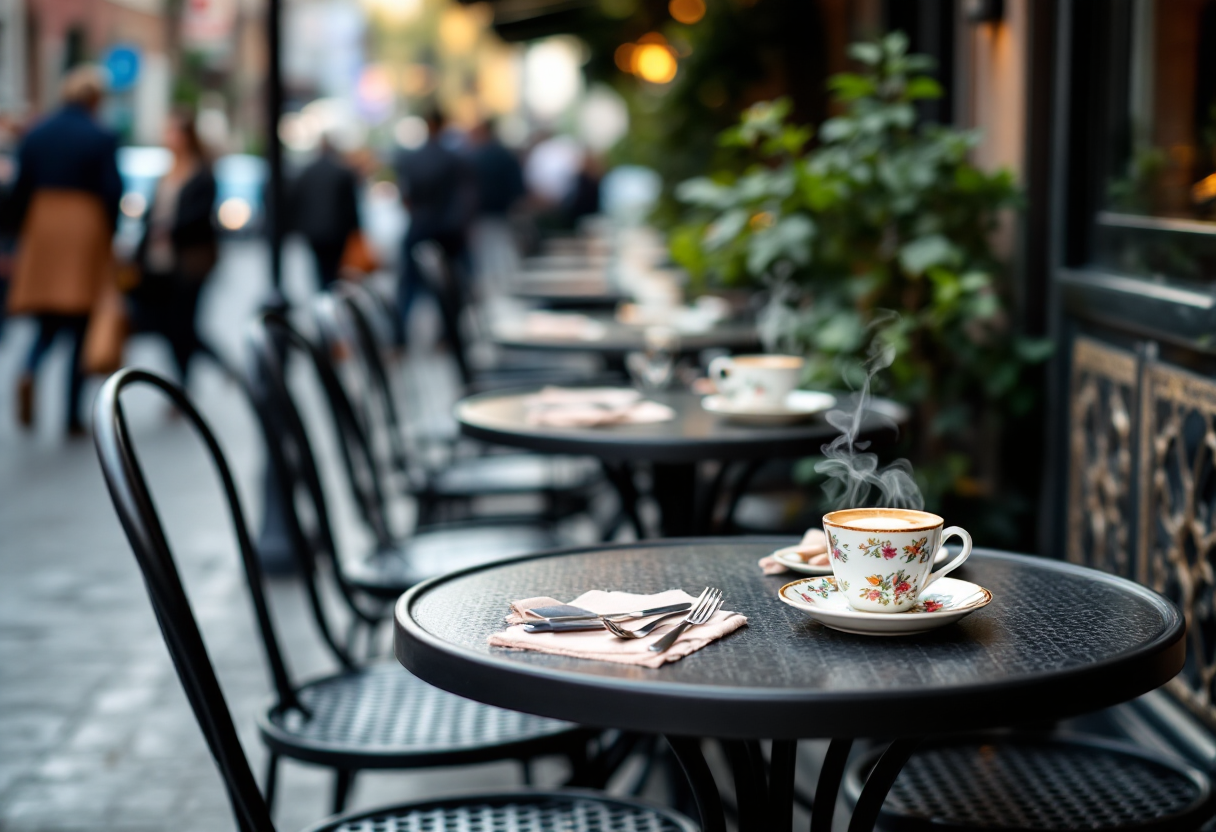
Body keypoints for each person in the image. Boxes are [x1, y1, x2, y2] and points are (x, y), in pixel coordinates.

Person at [6, 66, 122, 436]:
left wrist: (15, 242)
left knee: (47, 321)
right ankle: (71, 415)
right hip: (83, 232)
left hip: (43, 231)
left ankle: (30, 367)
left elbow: (18, 193)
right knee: (81, 324)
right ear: (95, 99)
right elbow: (111, 191)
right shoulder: (100, 136)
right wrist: (111, 237)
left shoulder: (36, 134)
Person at [127, 111, 223, 391]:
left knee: (183, 324)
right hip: (159, 261)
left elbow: (200, 217)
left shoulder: (202, 174)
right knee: (168, 325)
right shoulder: (165, 174)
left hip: (191, 261)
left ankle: (187, 382)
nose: (169, 138)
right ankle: (197, 374)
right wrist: (137, 255)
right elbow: (148, 215)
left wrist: (169, 227)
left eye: (174, 132)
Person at [394, 107, 473, 380]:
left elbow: (405, 195)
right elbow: (465, 198)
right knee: (450, 288)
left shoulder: (411, 158)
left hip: (418, 226)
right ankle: (446, 337)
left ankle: (399, 340)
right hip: (448, 231)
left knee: (408, 287)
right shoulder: (455, 158)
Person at [289, 135, 361, 288]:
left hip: (314, 231)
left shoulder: (307, 172)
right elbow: (351, 205)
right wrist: (356, 231)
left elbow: (296, 200)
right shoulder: (342, 172)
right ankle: (331, 298)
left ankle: (323, 297)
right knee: (335, 269)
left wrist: (297, 227)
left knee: (319, 269)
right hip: (337, 231)